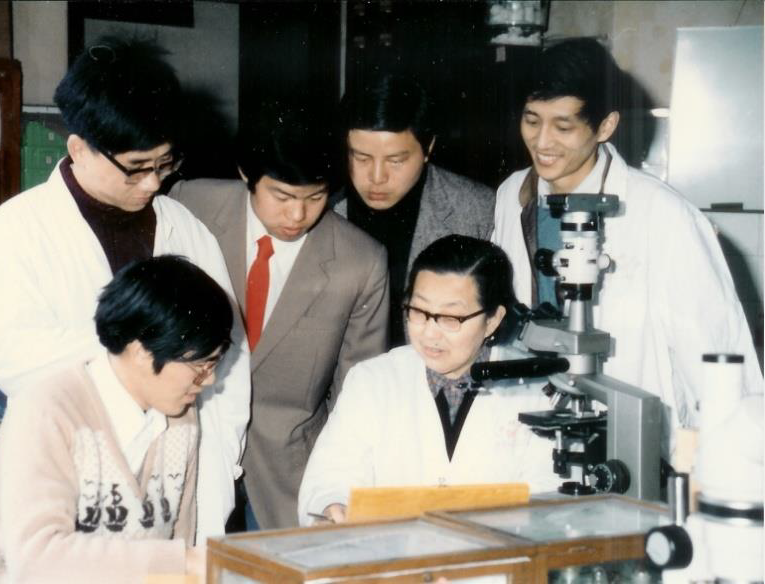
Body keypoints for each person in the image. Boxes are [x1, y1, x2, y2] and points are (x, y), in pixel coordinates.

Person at [0, 35, 250, 540]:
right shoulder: (13, 232)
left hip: (177, 491)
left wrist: (214, 492)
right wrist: (145, 346)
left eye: (165, 164)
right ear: (79, 147)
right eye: (136, 168)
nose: (153, 184)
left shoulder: (186, 229)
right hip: (68, 482)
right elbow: (17, 363)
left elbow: (228, 367)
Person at [492, 38, 762, 457]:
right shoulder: (514, 194)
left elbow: (716, 352)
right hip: (534, 428)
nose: (542, 142)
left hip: (632, 437)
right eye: (531, 121)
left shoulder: (661, 213)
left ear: (604, 126)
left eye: (563, 127)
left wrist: (725, 464)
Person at [169, 107, 389, 530]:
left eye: (316, 197)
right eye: (282, 197)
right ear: (245, 174)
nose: (297, 216)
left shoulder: (361, 261)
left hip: (289, 472)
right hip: (191, 444)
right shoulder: (190, 205)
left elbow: (357, 393)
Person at [0, 256, 231, 583]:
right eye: (201, 366)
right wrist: (180, 562)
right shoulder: (47, 410)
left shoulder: (181, 416)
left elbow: (179, 541)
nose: (209, 380)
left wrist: (182, 564)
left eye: (214, 364)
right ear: (142, 351)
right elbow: (37, 559)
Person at [297, 235, 558, 525]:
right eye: (419, 312)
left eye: (451, 318)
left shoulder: (537, 389)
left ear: (493, 320)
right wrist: (333, 505)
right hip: (393, 548)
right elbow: (331, 474)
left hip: (500, 550)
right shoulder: (372, 380)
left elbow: (549, 494)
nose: (430, 333)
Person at [331, 75, 496, 347]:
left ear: (428, 148)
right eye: (361, 157)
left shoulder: (477, 210)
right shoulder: (324, 209)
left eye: (395, 160)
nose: (377, 177)